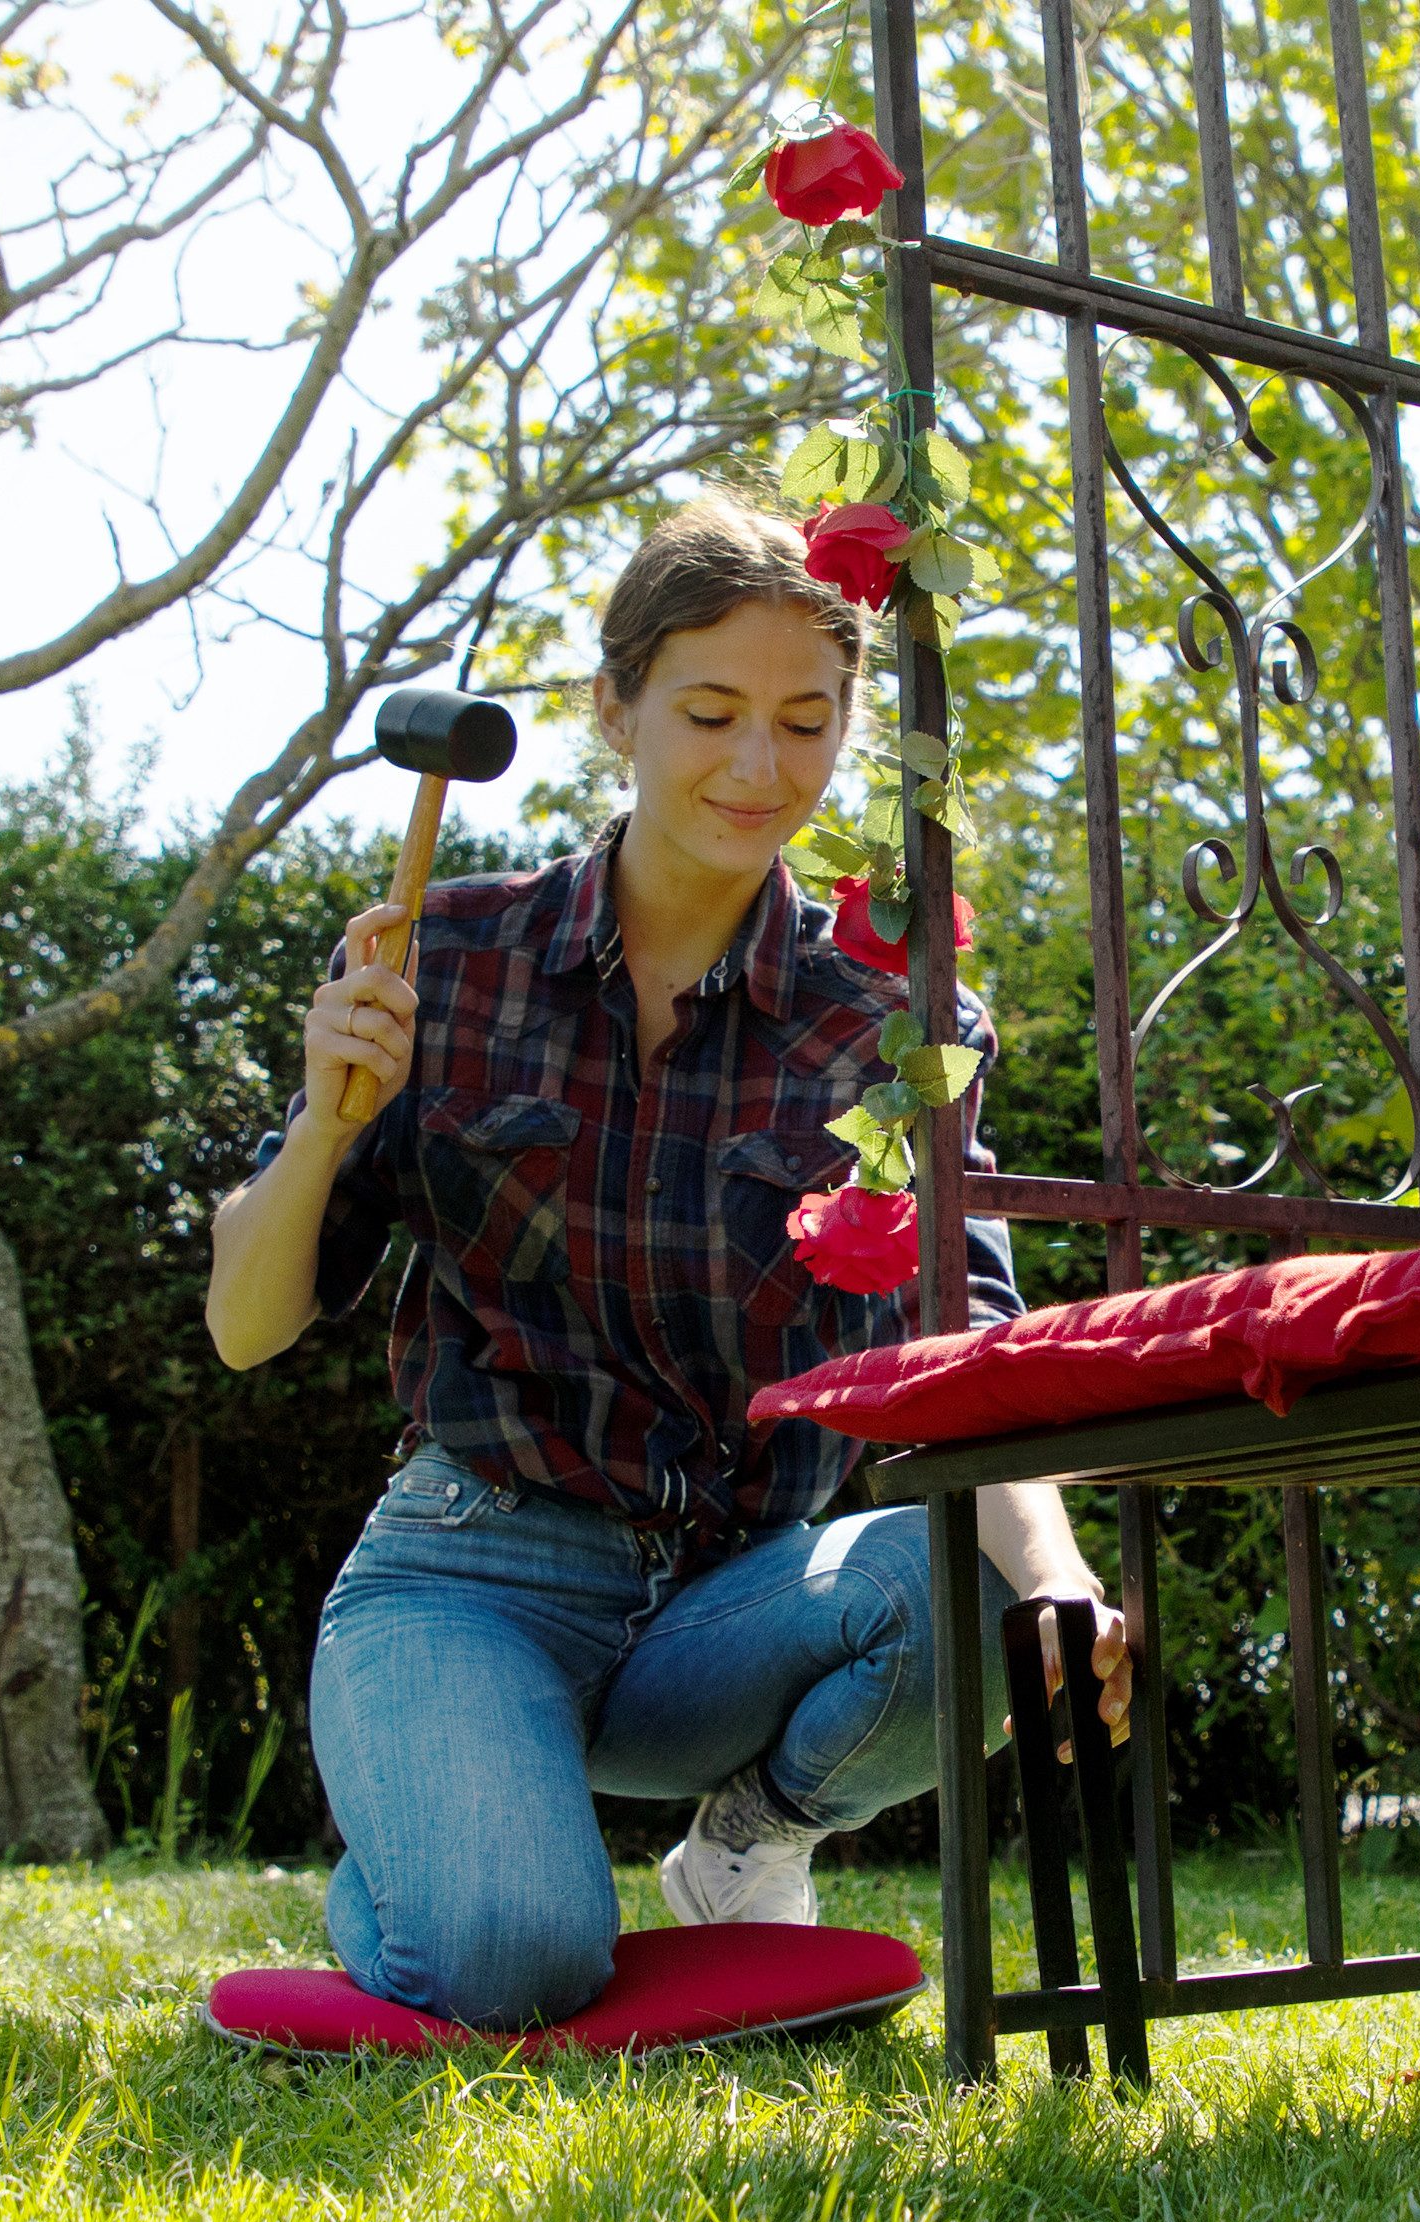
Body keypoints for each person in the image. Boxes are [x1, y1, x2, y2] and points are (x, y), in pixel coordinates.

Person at [205, 497, 1129, 2031]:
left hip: (734, 1601)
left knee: (964, 1588)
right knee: (513, 1959)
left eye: (803, 721)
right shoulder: (445, 956)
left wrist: (1063, 1584)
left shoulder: (888, 1024)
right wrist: (320, 1124)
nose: (758, 768)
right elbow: (247, 1327)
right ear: (614, 707)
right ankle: (434, 1861)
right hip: (474, 1572)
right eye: (709, 713)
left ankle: (753, 1844)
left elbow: (966, 1348)